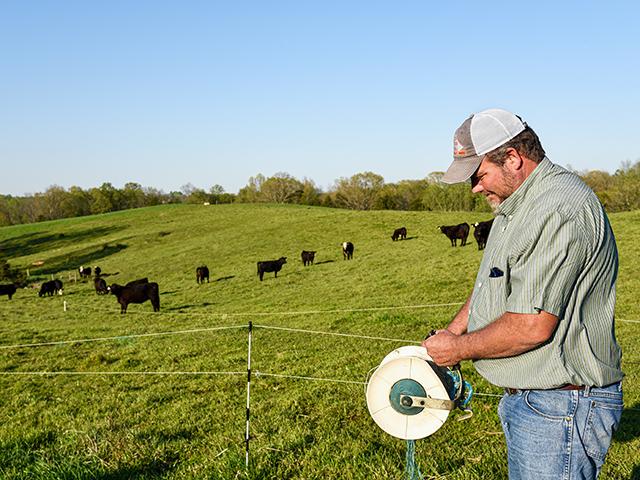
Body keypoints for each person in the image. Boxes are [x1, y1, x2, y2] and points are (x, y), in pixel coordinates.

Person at [422, 108, 623, 479]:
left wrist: (459, 349)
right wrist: (451, 333)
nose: (476, 188)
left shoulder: (558, 207)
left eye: (478, 176)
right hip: (539, 401)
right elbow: (491, 283)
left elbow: (532, 326)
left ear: (513, 158)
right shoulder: (515, 207)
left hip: (563, 403)